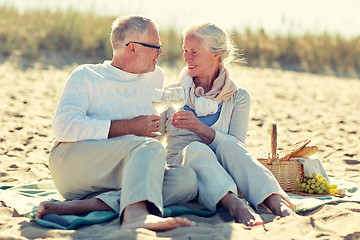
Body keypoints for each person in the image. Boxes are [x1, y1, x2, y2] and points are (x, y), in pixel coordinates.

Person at [35, 15, 198, 231]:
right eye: (156, 46)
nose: (161, 52)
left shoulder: (155, 76)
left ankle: (87, 205)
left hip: (123, 168)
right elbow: (64, 125)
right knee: (150, 148)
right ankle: (136, 214)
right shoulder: (87, 75)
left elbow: (151, 131)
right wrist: (129, 127)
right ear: (132, 48)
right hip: (72, 165)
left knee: (187, 180)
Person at [160, 22, 297, 226]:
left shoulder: (238, 96)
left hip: (224, 170)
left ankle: (276, 202)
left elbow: (236, 149)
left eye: (194, 52)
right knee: (197, 147)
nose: (186, 57)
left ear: (217, 54)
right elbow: (151, 137)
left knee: (230, 145)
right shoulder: (173, 93)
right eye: (185, 50)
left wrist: (199, 127)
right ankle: (236, 205)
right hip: (184, 170)